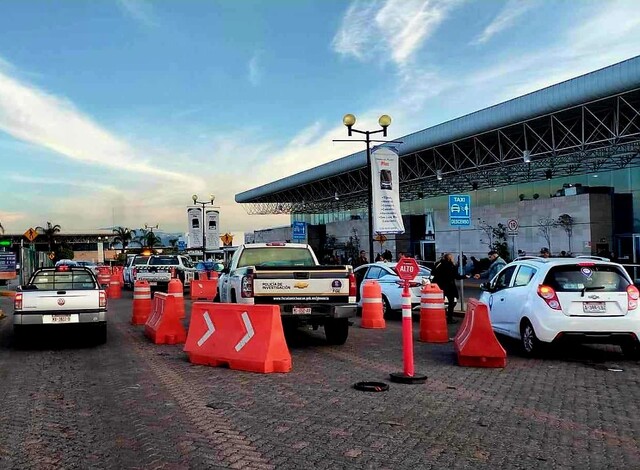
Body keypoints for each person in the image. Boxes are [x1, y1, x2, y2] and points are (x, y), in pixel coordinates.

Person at [432, 253, 469, 323]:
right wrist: (465, 276)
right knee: (451, 302)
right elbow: (456, 276)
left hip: (438, 286)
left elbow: (432, 273)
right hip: (449, 286)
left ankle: (437, 317)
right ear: (450, 258)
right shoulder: (451, 265)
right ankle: (449, 318)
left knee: (439, 303)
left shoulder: (438, 264)